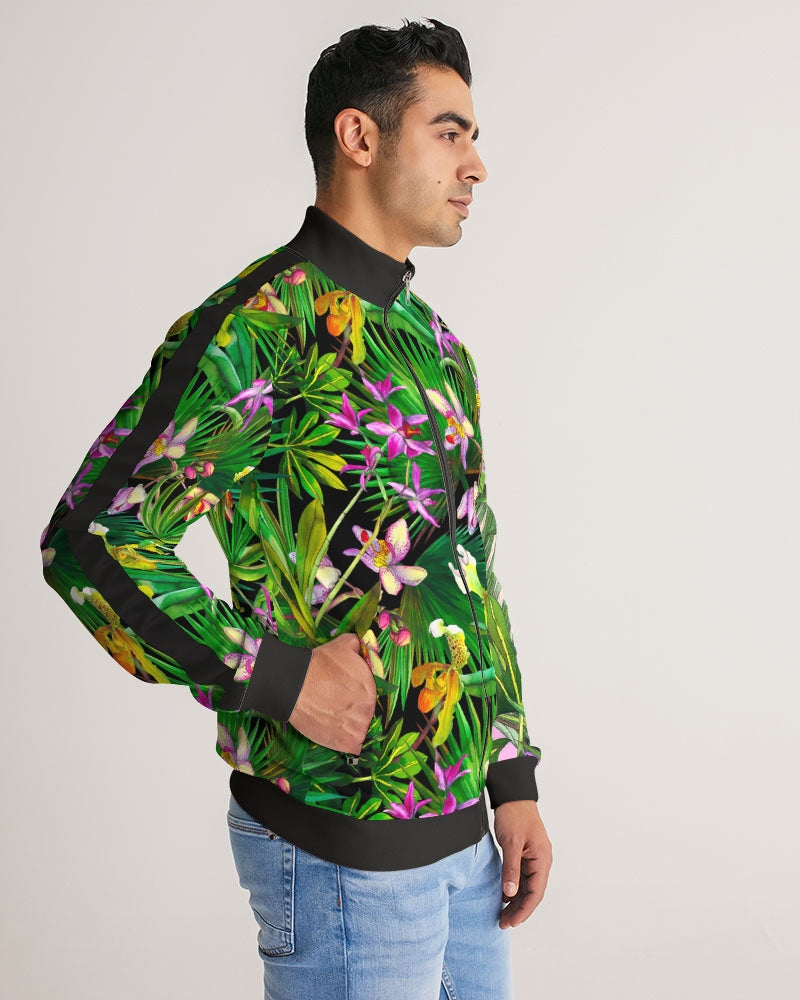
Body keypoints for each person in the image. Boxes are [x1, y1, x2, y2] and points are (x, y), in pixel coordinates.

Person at [40, 16, 552, 1000]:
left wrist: (511, 777)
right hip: (340, 853)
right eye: (449, 132)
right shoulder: (259, 328)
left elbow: (465, 574)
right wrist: (273, 675)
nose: (476, 165)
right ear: (359, 136)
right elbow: (92, 540)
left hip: (467, 852)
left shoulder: (438, 350)